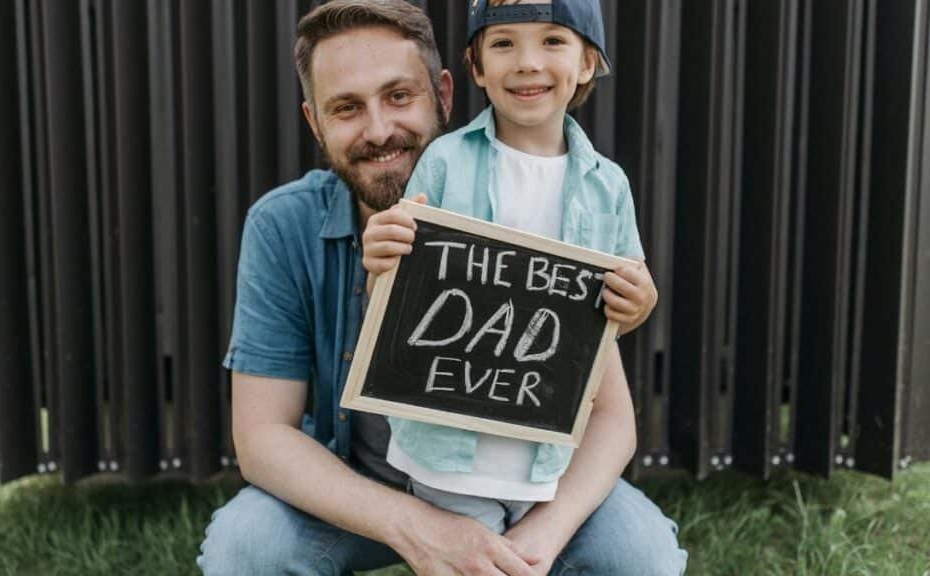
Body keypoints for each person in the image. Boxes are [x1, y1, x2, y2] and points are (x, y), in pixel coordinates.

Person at [197, 1, 685, 574]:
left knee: (640, 553)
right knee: (245, 545)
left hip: (525, 480)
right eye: (347, 108)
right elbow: (262, 438)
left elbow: (610, 416)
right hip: (361, 485)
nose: (379, 130)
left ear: (446, 94)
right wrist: (422, 529)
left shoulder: (531, 205)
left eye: (400, 96)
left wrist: (543, 533)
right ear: (315, 122)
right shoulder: (282, 225)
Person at [360, 0, 671, 555]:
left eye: (553, 41)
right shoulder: (444, 162)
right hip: (448, 457)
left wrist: (639, 300)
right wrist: (383, 260)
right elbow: (400, 296)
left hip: (546, 453)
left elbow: (624, 289)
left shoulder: (608, 184)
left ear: (587, 63)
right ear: (476, 68)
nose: (527, 62)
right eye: (504, 43)